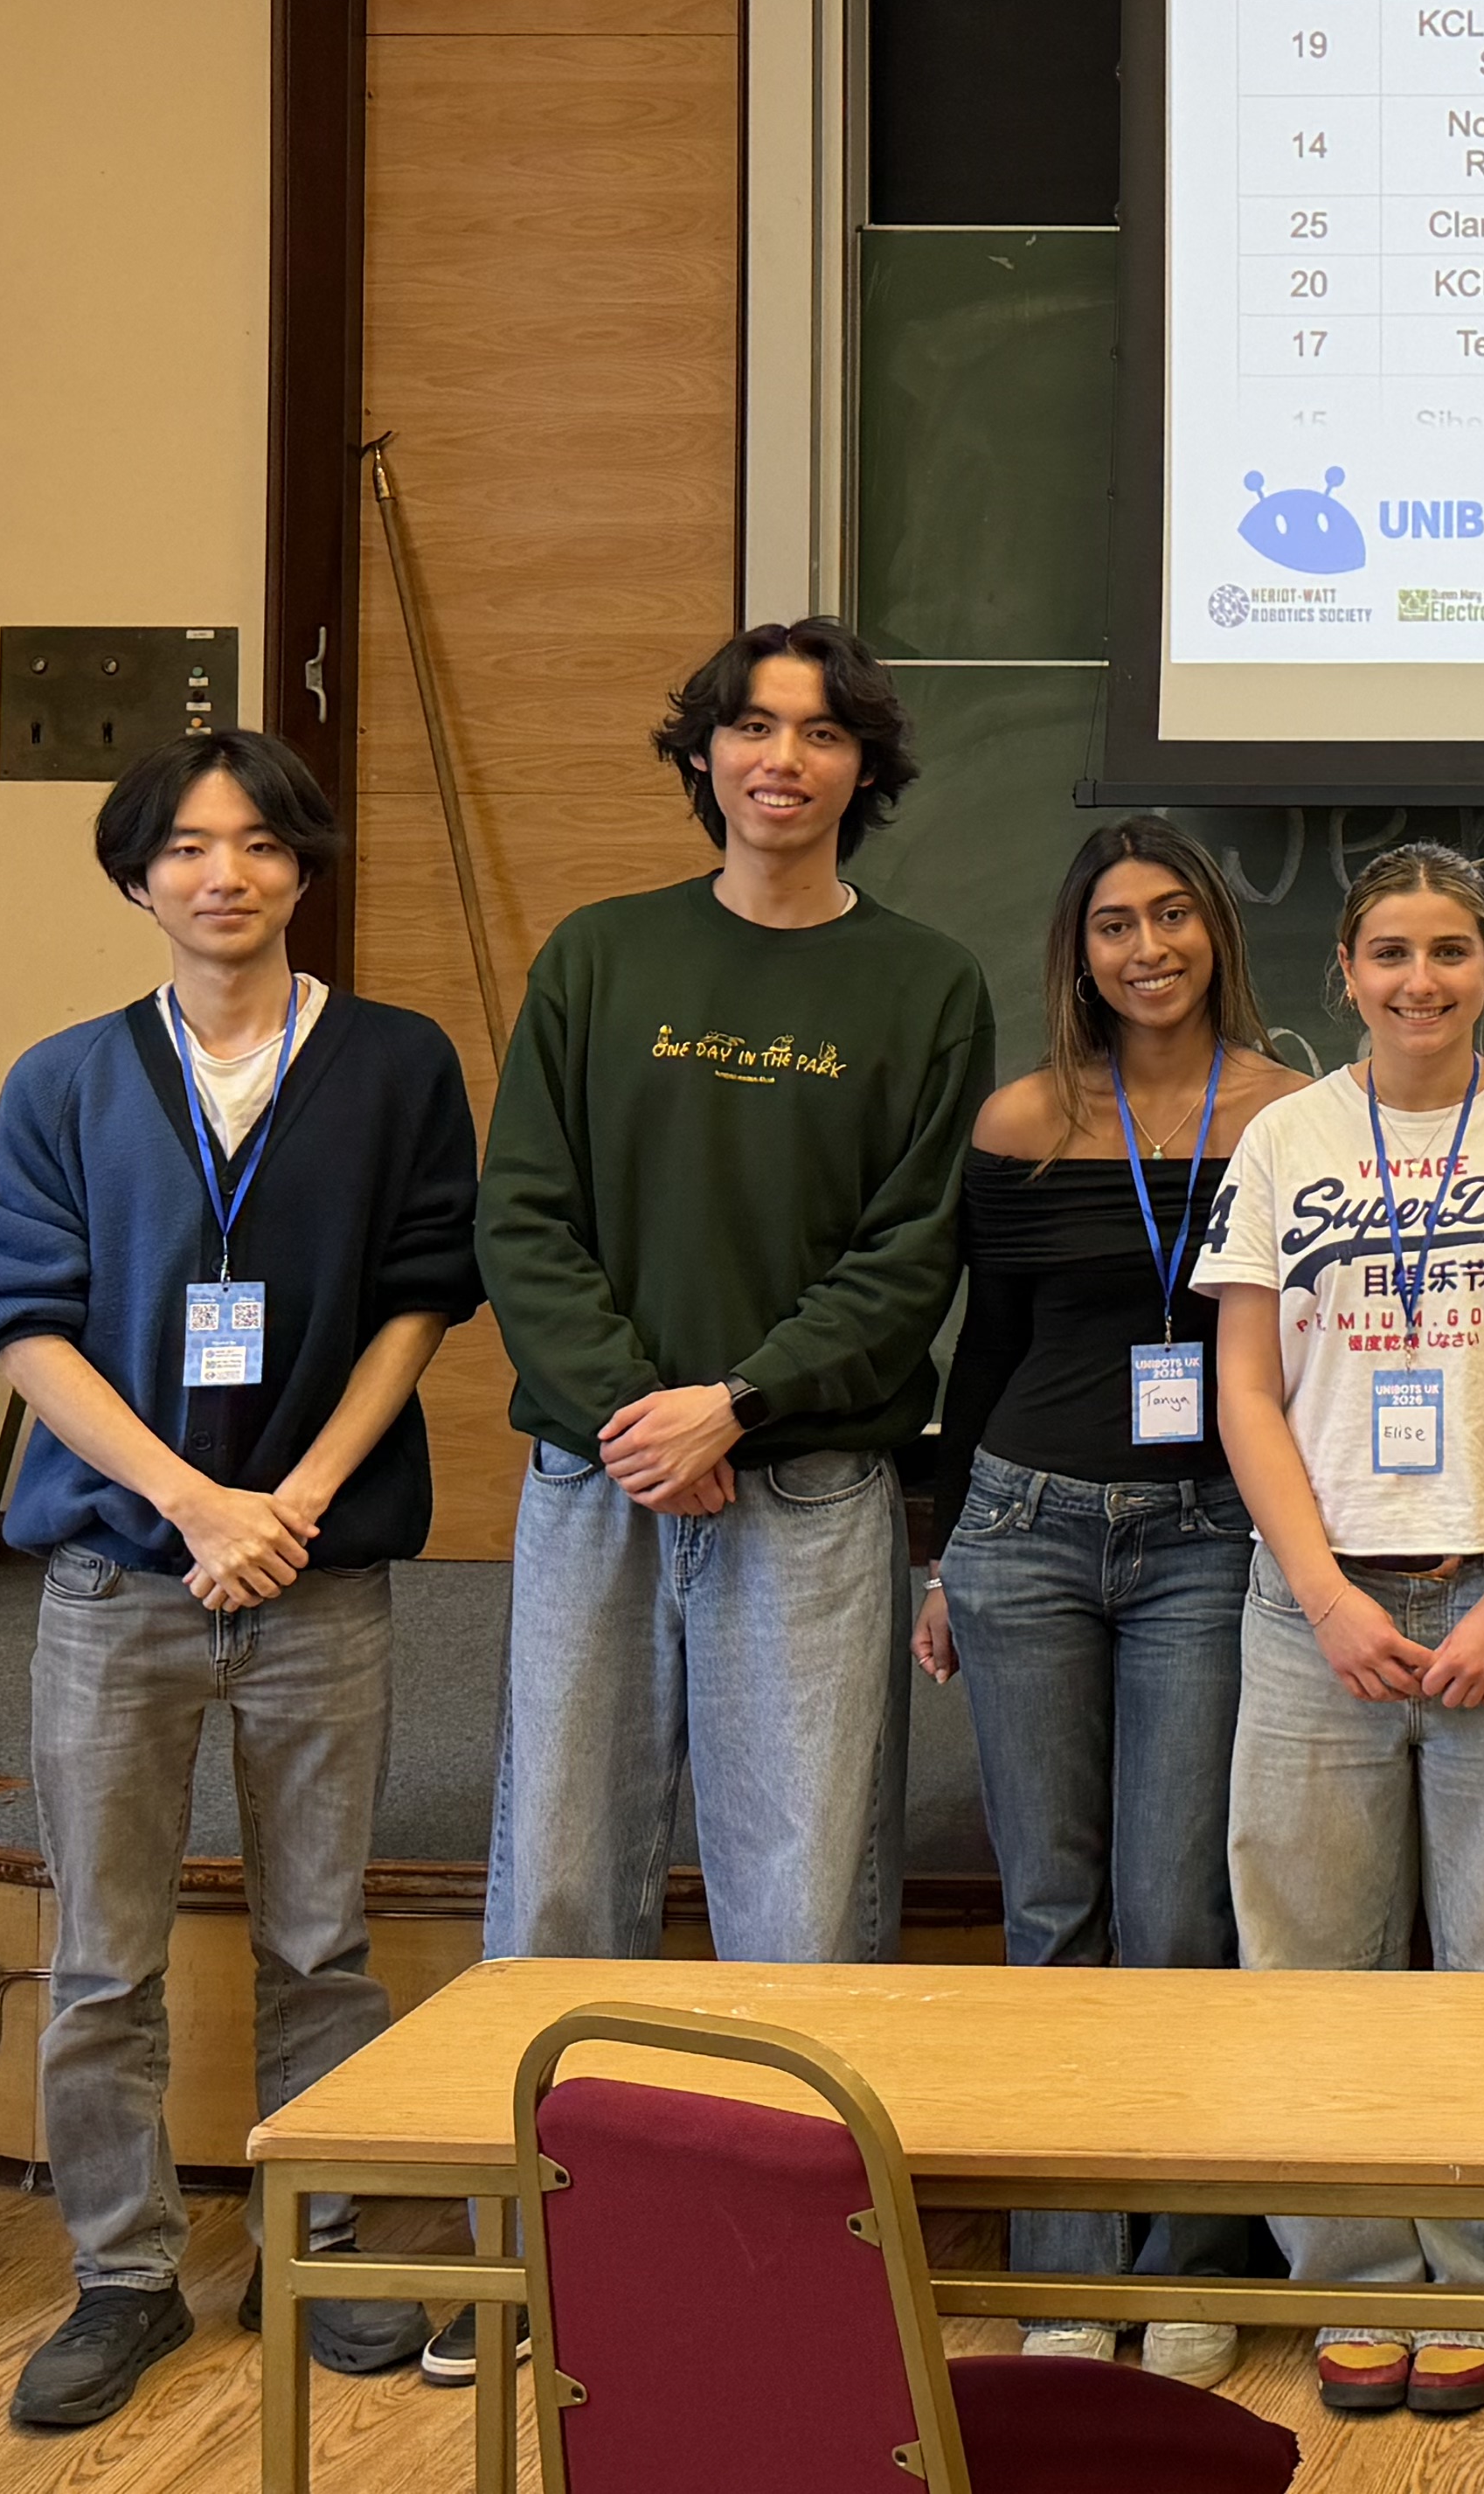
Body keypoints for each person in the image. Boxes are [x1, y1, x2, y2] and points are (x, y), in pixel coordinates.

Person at [0, 728, 482, 2430]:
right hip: (122, 1579)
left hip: (320, 1576)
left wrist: (299, 1498)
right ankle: (123, 2276)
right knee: (103, 1956)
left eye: (258, 843)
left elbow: (421, 1292)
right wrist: (194, 1500)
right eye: (185, 847)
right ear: (137, 876)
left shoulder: (395, 1065)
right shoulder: (63, 1080)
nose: (223, 873)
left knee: (323, 1943)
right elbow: (20, 1327)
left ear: (302, 867)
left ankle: (316, 2242)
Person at [473, 618, 991, 1980]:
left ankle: (805, 2196)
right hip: (601, 1477)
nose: (784, 759)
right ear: (704, 754)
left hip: (811, 1491)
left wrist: (736, 1404)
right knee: (562, 1880)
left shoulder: (927, 982)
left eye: (824, 733)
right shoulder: (598, 958)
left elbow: (909, 1256)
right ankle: (547, 2195)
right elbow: (523, 1215)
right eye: (754, 726)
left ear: (862, 771)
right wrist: (641, 1418)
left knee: (806, 1896)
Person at [1203, 844, 1484, 2427]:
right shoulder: (1287, 1138)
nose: (1420, 981)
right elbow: (1246, 1382)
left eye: (1450, 951)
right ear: (1346, 969)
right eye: (1391, 952)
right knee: (1308, 1954)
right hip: (1317, 1602)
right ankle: (1349, 2280)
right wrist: (1320, 1591)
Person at [913, 820, 1300, 2385]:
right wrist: (943, 1552)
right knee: (1051, 1913)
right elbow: (981, 1352)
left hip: (1214, 1537)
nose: (1148, 948)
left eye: (1175, 917)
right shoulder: (1021, 1121)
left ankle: (1194, 2261)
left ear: (1217, 933)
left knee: (1177, 1910)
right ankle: (1070, 2279)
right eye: (1115, 924)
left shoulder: (1291, 1116)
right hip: (1023, 1531)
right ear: (1076, 950)